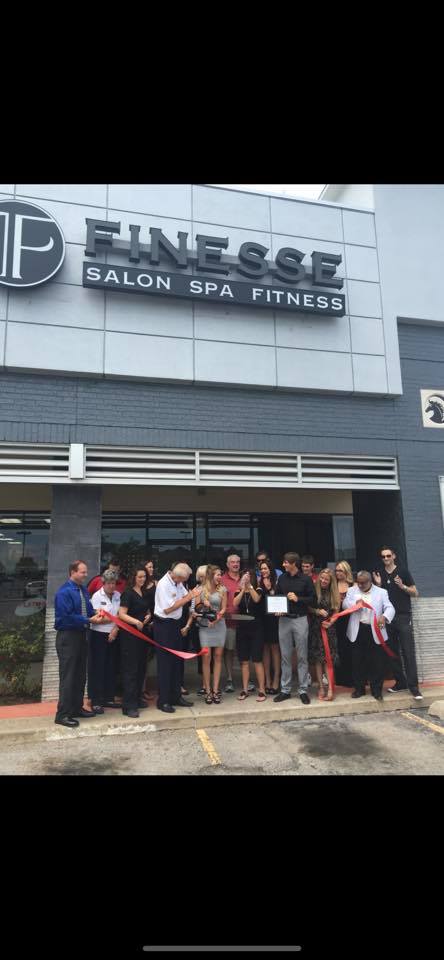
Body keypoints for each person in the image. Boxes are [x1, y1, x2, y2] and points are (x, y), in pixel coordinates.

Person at [54, 560, 104, 728]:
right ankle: (62, 714)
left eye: (85, 572)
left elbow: (87, 609)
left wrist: (96, 613)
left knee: (80, 675)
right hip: (68, 637)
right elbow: (65, 617)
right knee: (68, 676)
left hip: (82, 635)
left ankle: (76, 708)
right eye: (82, 572)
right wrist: (88, 619)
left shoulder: (83, 590)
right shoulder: (64, 592)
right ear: (73, 572)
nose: (85, 575)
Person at [373, 546, 422, 699]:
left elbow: (415, 593)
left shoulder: (403, 571)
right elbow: (377, 597)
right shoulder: (379, 574)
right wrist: (378, 585)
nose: (386, 559)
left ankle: (414, 687)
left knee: (408, 652)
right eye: (383, 557)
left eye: (388, 556)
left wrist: (403, 586)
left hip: (403, 616)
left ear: (394, 556)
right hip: (387, 618)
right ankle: (401, 683)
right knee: (392, 652)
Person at [153, 563, 201, 713]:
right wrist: (189, 597)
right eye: (183, 580)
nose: (183, 583)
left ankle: (176, 696)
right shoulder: (164, 584)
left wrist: (192, 601)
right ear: (178, 576)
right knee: (165, 664)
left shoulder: (177, 582)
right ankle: (164, 701)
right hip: (164, 625)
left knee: (176, 662)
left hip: (175, 624)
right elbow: (168, 609)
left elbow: (185, 596)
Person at [342, 570, 395, 701]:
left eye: (363, 583)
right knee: (358, 661)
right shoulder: (352, 590)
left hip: (374, 630)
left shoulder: (381, 592)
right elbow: (344, 605)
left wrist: (384, 617)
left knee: (376, 662)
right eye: (358, 582)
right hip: (357, 630)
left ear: (370, 581)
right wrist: (354, 604)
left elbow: (390, 607)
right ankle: (359, 689)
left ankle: (376, 690)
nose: (360, 585)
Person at [273, 552, 316, 705]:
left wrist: (298, 599)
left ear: (293, 564)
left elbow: (313, 599)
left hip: (300, 619)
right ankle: (285, 690)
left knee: (302, 656)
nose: (283, 565)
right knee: (285, 656)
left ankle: (303, 690)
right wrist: (276, 609)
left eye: (286, 562)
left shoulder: (306, 579)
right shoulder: (282, 578)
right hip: (284, 620)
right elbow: (277, 596)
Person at [118, 567, 153, 718]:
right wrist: (135, 622)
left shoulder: (144, 592)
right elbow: (121, 614)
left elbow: (147, 610)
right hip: (130, 636)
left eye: (144, 577)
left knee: (140, 668)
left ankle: (137, 698)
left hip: (142, 635)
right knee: (131, 670)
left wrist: (148, 616)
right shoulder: (128, 593)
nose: (142, 579)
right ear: (133, 577)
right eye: (139, 577)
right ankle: (128, 705)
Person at [192, 564, 227, 704]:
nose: (220, 577)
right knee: (206, 657)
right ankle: (207, 690)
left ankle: (216, 690)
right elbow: (197, 609)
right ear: (211, 576)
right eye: (218, 574)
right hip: (205, 626)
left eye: (220, 575)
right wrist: (203, 606)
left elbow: (223, 609)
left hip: (219, 625)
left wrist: (216, 618)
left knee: (218, 656)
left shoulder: (223, 589)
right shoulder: (200, 590)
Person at [88, 570, 121, 712]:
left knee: (111, 667)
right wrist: (115, 619)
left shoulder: (118, 595)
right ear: (104, 583)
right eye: (109, 583)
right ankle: (96, 700)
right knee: (98, 668)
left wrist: (115, 628)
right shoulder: (97, 596)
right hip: (99, 635)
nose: (112, 586)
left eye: (114, 583)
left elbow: (121, 614)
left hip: (114, 634)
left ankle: (109, 698)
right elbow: (98, 619)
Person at [221, 555, 255, 694]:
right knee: (229, 651)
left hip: (245, 621)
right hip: (229, 621)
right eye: (232, 562)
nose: (235, 564)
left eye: (238, 562)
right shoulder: (222, 579)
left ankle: (247, 679)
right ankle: (229, 679)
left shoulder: (246, 577)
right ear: (227, 564)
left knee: (245, 652)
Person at [233, 569, 267, 702]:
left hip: (256, 628)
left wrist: (250, 586)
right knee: (244, 660)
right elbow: (235, 603)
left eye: (248, 576)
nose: (246, 578)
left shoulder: (259, 589)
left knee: (257, 659)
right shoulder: (238, 590)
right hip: (242, 628)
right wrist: (242, 589)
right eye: (244, 576)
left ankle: (262, 690)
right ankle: (245, 689)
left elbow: (256, 599)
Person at [308, 568, 340, 700]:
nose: (323, 580)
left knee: (328, 660)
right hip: (316, 628)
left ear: (331, 581)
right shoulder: (314, 590)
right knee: (318, 660)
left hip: (329, 629)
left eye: (326, 579)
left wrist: (331, 622)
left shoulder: (334, 593)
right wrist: (317, 611)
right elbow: (308, 607)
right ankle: (321, 687)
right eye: (321, 578)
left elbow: (336, 611)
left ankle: (331, 688)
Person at [181, 564, 208, 694]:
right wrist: (187, 625)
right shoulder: (195, 590)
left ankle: (210, 686)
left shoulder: (215, 589)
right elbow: (192, 611)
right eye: (200, 576)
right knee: (201, 656)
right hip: (197, 627)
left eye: (205, 576)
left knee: (211, 657)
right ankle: (204, 684)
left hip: (212, 626)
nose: (203, 579)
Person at [258, 560, 281, 694]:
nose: (263, 571)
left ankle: (276, 679)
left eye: (265, 568)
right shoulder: (258, 582)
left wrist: (270, 589)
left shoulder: (278, 581)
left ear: (271, 569)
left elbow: (280, 598)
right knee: (265, 649)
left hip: (275, 619)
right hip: (262, 619)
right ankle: (267, 680)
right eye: (261, 569)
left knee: (275, 648)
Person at [334, 561, 355, 686]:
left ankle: (355, 677)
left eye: (340, 570)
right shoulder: (333, 584)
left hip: (351, 619)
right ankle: (342, 678)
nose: (338, 573)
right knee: (340, 648)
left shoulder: (354, 585)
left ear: (346, 571)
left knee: (352, 648)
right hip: (337, 620)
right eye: (336, 570)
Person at [140, 560, 158, 704]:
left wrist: (155, 619)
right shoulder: (139, 585)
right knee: (142, 657)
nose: (151, 569)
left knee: (150, 657)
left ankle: (145, 688)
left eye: (152, 567)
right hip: (141, 624)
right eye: (149, 567)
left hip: (154, 622)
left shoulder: (157, 584)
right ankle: (141, 688)